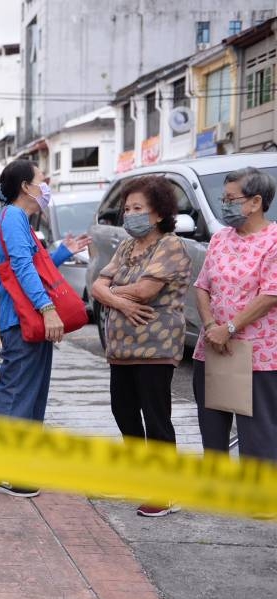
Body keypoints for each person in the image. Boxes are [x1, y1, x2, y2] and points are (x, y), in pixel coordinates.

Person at [0, 159, 90, 498]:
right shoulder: (14, 217)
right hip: (23, 319)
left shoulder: (15, 219)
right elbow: (20, 266)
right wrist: (47, 309)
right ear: (26, 187)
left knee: (25, 393)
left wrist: (61, 254)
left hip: (22, 320)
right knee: (18, 394)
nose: (46, 185)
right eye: (42, 180)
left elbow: (32, 266)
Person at [90, 176, 192, 517]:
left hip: (155, 346)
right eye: (127, 208)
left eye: (138, 208)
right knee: (124, 413)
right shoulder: (125, 246)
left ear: (158, 213)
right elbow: (97, 284)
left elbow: (146, 291)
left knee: (156, 418)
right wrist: (116, 298)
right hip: (121, 349)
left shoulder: (170, 245)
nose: (129, 214)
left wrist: (109, 294)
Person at [193, 167, 277, 463]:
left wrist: (228, 327)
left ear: (255, 202)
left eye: (231, 199)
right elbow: (202, 286)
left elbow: (270, 294)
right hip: (214, 344)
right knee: (212, 418)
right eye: (224, 198)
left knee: (258, 427)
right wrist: (210, 326)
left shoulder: (274, 239)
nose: (224, 205)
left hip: (259, 351)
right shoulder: (220, 238)